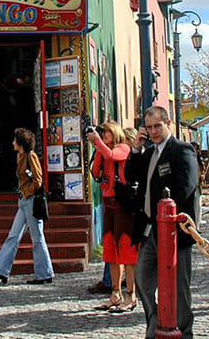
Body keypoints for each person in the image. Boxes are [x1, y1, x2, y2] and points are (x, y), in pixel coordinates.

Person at [126, 106, 197, 339]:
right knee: (142, 280)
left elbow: (186, 187)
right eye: (149, 127)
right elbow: (131, 175)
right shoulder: (148, 153)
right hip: (150, 228)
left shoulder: (181, 150)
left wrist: (169, 213)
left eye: (158, 125)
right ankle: (156, 322)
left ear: (168, 123)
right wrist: (136, 148)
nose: (154, 131)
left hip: (175, 230)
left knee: (179, 287)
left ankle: (185, 331)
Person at [0, 127, 54, 286]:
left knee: (37, 237)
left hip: (30, 201)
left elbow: (38, 180)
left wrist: (27, 192)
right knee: (13, 235)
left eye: (15, 140)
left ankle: (44, 273)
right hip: (23, 201)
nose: (13, 143)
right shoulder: (19, 156)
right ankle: (1, 270)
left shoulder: (31, 156)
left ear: (21, 143)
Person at [86, 121, 137, 312]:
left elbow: (113, 156)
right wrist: (98, 148)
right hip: (109, 206)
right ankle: (116, 293)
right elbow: (95, 170)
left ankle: (131, 294)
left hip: (122, 206)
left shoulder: (123, 148)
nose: (103, 136)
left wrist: (99, 144)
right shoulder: (104, 150)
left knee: (126, 252)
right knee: (111, 253)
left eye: (106, 133)